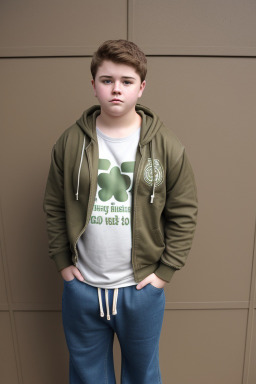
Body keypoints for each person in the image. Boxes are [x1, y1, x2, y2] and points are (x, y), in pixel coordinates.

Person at [43, 39, 198, 384]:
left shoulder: (167, 145)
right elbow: (54, 204)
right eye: (107, 80)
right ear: (94, 85)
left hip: (140, 290)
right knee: (87, 377)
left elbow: (184, 212)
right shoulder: (69, 142)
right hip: (83, 287)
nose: (116, 90)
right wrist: (63, 265)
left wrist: (163, 274)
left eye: (127, 82)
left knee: (143, 377)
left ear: (141, 87)